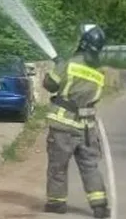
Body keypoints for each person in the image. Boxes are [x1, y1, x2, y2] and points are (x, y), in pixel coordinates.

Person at [43, 24, 110, 218]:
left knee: (58, 165)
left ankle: (57, 204)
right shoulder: (99, 74)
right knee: (90, 167)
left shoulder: (69, 64)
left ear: (83, 42)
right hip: (87, 129)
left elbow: (49, 84)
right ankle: (99, 206)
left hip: (63, 125)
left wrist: (58, 66)